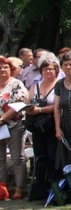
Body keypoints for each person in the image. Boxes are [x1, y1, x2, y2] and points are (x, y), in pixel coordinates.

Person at [24, 53, 59, 189]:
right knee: (40, 155)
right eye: (45, 69)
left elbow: (57, 106)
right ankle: (41, 186)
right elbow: (28, 102)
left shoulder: (59, 85)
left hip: (52, 124)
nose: (48, 71)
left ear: (56, 71)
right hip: (37, 127)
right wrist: (29, 108)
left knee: (52, 155)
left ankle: (53, 185)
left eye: (51, 69)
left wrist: (39, 110)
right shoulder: (36, 86)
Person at [0, 56, 29, 199]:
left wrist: (2, 119)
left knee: (18, 158)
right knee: (0, 159)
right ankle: (2, 189)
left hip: (14, 125)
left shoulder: (16, 84)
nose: (2, 70)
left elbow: (18, 104)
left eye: (5, 67)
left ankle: (19, 188)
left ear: (10, 69)